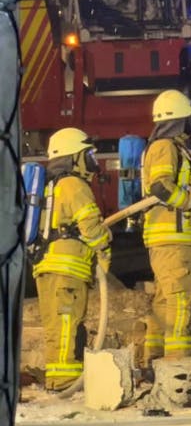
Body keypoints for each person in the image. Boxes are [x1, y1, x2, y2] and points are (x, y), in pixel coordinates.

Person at [32, 128, 111, 391]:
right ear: (73, 157)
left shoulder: (51, 185)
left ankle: (57, 379)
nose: (92, 159)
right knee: (67, 324)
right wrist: (105, 246)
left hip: (48, 267)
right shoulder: (74, 184)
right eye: (87, 153)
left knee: (57, 326)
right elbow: (90, 226)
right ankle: (66, 382)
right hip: (67, 269)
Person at [141, 89, 191, 364]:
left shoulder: (171, 148)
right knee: (180, 301)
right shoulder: (165, 147)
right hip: (173, 238)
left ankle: (156, 359)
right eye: (189, 118)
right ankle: (177, 363)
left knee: (165, 300)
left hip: (168, 240)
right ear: (180, 119)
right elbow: (161, 187)